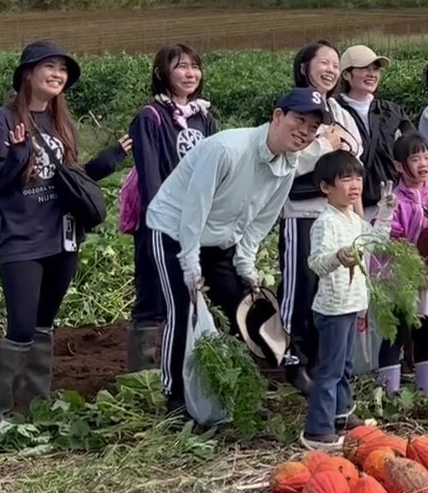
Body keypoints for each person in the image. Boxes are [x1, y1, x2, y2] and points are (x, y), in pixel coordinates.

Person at [144, 87, 328, 415]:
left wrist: (245, 264)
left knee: (239, 309)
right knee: (184, 309)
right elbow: (195, 207)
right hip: (175, 230)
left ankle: (237, 394)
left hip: (220, 239)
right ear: (278, 116)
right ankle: (175, 398)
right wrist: (189, 262)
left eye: (313, 127)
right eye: (299, 120)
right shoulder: (228, 149)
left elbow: (261, 219)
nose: (305, 132)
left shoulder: (288, 164)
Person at [0, 41, 130, 430]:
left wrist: (109, 159)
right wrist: (17, 156)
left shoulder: (62, 124)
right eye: (49, 66)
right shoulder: (1, 122)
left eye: (62, 69)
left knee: (44, 324)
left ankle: (36, 409)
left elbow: (71, 181)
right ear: (27, 73)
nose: (57, 74)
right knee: (21, 327)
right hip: (22, 240)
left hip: (63, 238)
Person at [125, 43, 217, 373]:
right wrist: (163, 221)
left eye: (195, 66)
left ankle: (182, 369)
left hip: (196, 221)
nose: (190, 73)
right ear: (162, 73)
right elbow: (150, 178)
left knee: (188, 291)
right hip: (160, 222)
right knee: (152, 294)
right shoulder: (149, 118)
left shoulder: (204, 118)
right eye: (181, 66)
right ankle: (146, 376)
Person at [275, 41, 357, 393]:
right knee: (301, 284)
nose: (330, 70)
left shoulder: (338, 109)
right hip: (301, 212)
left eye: (335, 64)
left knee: (329, 284)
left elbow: (354, 151)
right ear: (303, 67)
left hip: (333, 214)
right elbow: (289, 158)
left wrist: (333, 147)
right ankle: (294, 358)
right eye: (323, 62)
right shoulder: (292, 106)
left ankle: (323, 360)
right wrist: (326, 144)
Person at [376, 133, 428, 395]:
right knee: (396, 334)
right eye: (415, 158)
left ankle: (426, 391)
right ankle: (388, 394)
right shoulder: (395, 199)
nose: (423, 163)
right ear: (399, 165)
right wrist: (412, 251)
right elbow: (389, 235)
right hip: (402, 276)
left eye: (427, 157)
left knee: (426, 334)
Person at [303, 150, 371, 449]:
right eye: (345, 179)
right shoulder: (326, 222)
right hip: (333, 307)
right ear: (325, 187)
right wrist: (338, 257)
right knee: (330, 370)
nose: (354, 184)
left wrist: (385, 212)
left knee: (344, 366)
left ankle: (342, 414)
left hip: (351, 303)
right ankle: (317, 429)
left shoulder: (354, 219)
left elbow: (375, 241)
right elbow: (316, 263)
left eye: (358, 178)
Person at [336, 44, 416, 209]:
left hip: (395, 202)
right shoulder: (334, 111)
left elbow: (414, 149)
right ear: (346, 74)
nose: (372, 74)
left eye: (375, 69)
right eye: (365, 68)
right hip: (350, 205)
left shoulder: (392, 112)